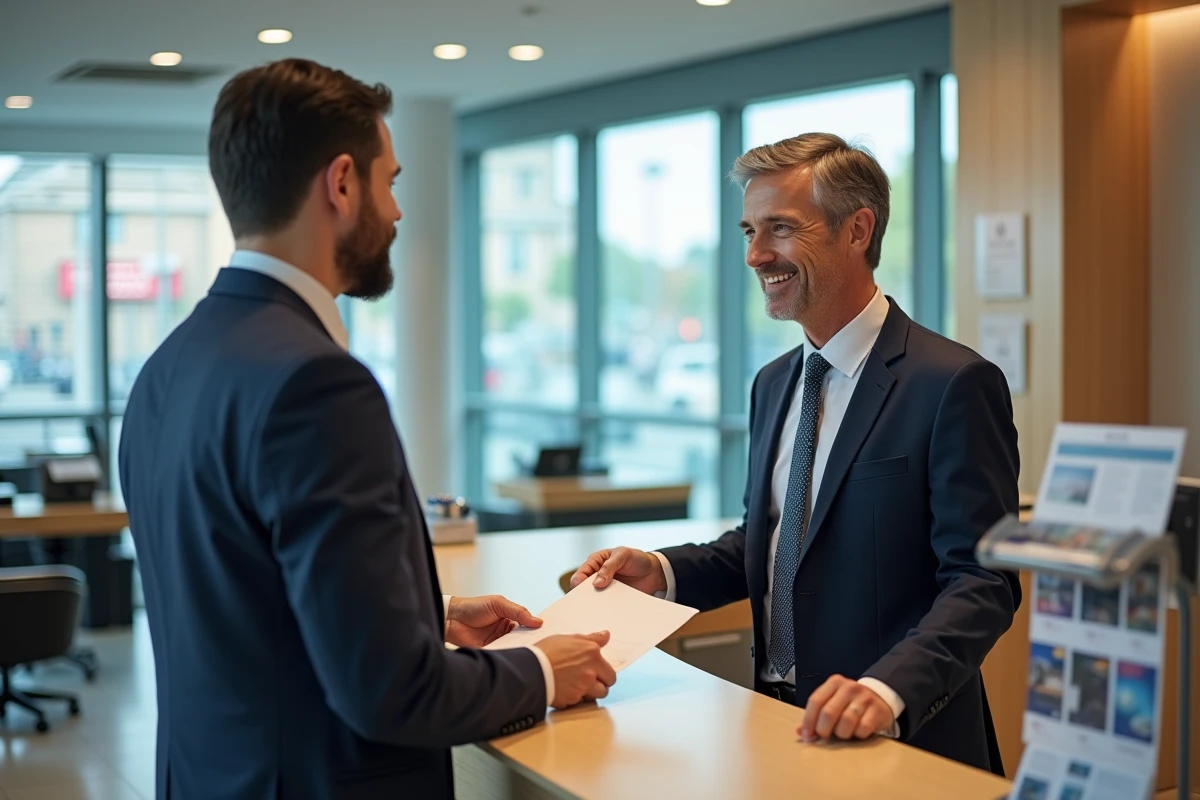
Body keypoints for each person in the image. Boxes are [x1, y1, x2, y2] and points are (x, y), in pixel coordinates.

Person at [118, 58, 615, 800]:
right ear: (342, 183)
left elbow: (240, 600)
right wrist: (545, 670)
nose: (398, 211)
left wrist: (425, 616)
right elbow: (390, 693)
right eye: (392, 181)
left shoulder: (168, 364)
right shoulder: (316, 383)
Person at [571, 133, 1020, 773]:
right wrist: (661, 572)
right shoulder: (774, 382)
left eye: (780, 228)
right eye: (749, 230)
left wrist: (885, 690)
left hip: (903, 739)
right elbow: (773, 539)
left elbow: (983, 581)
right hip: (777, 727)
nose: (756, 255)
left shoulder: (952, 384)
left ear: (857, 229)